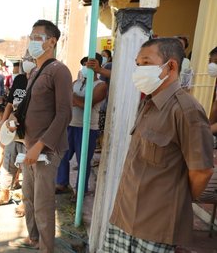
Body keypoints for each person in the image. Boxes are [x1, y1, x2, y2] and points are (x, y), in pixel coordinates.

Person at [103, 38, 214, 252]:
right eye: (137, 64)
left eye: (146, 63)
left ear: (170, 66)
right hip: (125, 216)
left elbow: (202, 171)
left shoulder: (186, 110)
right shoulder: (149, 104)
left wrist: (176, 199)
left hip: (156, 226)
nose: (139, 70)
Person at [9, 19, 72, 252]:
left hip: (46, 149)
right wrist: (15, 119)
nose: (32, 41)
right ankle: (33, 237)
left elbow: (64, 113)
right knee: (29, 197)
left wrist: (41, 146)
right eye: (31, 36)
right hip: (29, 145)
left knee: (43, 202)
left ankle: (47, 247)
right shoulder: (35, 71)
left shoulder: (60, 71)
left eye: (38, 37)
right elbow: (29, 105)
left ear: (52, 42)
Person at [55, 53, 107, 196]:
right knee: (63, 156)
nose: (85, 67)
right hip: (70, 125)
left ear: (98, 66)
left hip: (88, 128)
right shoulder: (75, 83)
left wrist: (74, 98)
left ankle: (81, 190)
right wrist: (75, 100)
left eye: (89, 64)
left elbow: (87, 104)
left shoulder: (101, 85)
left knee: (83, 160)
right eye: (84, 64)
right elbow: (66, 101)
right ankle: (61, 183)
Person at [0, 54, 35, 207]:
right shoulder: (19, 79)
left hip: (29, 132)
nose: (28, 61)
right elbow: (10, 103)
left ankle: (24, 202)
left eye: (32, 58)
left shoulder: (40, 80)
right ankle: (4, 195)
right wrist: (3, 121)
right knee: (8, 162)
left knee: (27, 167)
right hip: (11, 129)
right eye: (26, 58)